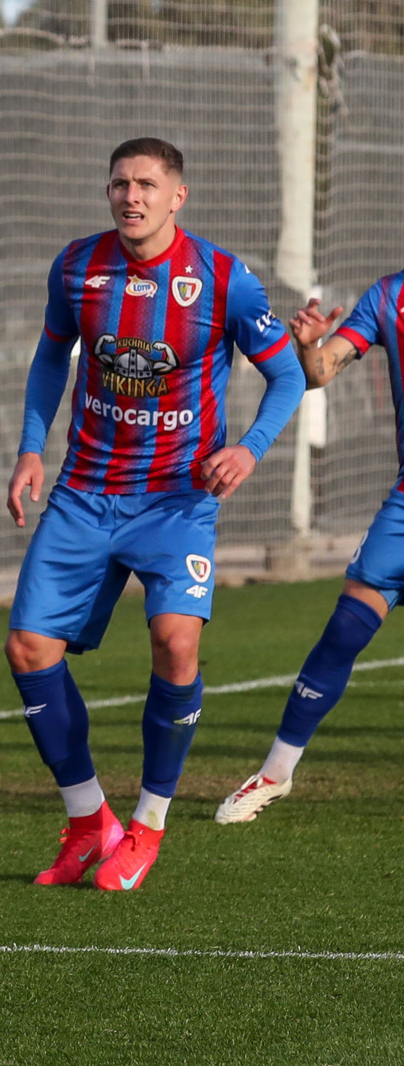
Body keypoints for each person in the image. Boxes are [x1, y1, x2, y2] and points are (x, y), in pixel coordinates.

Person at [4, 137, 304, 891]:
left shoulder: (224, 279)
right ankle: (87, 822)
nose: (130, 197)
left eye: (145, 185)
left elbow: (288, 376)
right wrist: (30, 447)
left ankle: (146, 826)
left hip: (177, 499)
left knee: (176, 644)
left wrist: (250, 450)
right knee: (27, 650)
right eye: (118, 184)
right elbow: (51, 358)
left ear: (178, 196)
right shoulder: (78, 266)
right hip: (82, 493)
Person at [216, 272, 404, 823]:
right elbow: (320, 373)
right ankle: (274, 774)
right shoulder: (389, 296)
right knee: (346, 627)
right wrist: (308, 345)